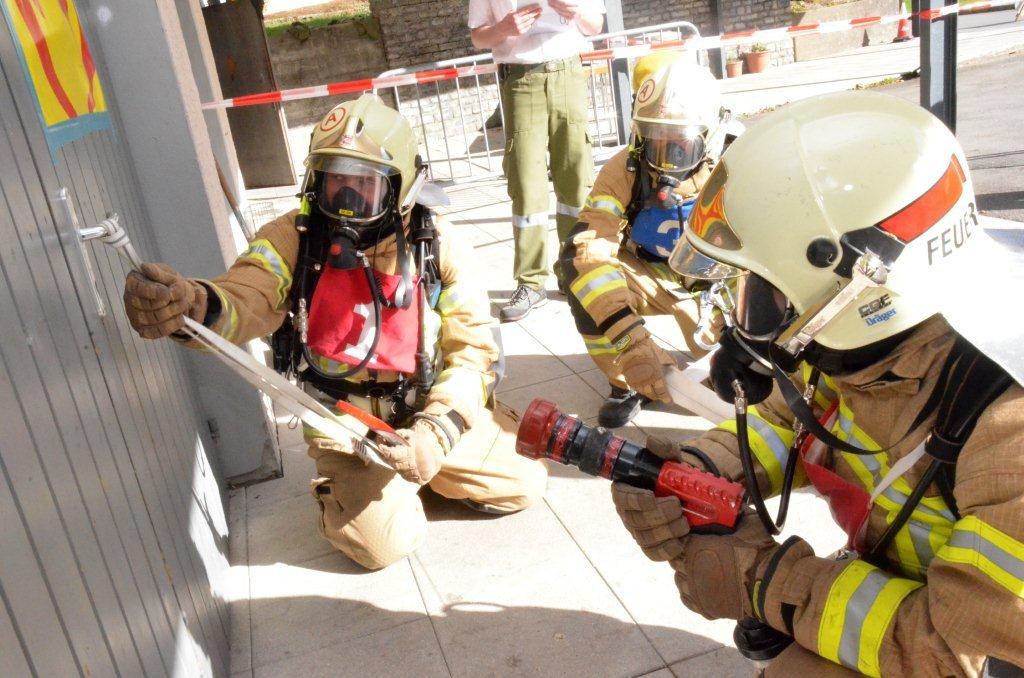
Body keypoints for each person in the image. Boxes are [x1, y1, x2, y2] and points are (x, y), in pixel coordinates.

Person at [611, 91, 1024, 676]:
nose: (746, 317)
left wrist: (765, 580)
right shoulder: (872, 348)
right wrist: (693, 471)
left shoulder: (1010, 434)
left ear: (860, 287)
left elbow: (955, 652)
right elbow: (787, 424)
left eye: (762, 289)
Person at [122, 95, 547, 570]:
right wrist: (195, 304)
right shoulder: (292, 239)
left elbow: (474, 352)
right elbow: (248, 293)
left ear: (401, 188)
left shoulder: (437, 244)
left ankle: (429, 467)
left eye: (364, 182)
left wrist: (434, 433)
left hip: (426, 409)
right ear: (314, 181)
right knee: (379, 548)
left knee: (524, 483)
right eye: (335, 179)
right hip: (348, 430)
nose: (347, 197)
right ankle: (354, 491)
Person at [560, 53, 742, 427]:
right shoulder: (625, 168)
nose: (665, 159)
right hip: (652, 273)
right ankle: (626, 384)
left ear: (711, 136)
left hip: (718, 279)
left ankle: (739, 357)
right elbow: (590, 243)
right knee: (582, 277)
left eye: (680, 146)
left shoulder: (738, 163)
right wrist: (629, 339)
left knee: (736, 372)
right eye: (655, 140)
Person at [468, 0, 606, 322]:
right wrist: (503, 28)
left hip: (568, 73)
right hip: (521, 78)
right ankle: (531, 283)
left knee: (575, 179)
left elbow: (596, 25)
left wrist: (575, 11)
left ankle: (573, 272)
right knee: (527, 183)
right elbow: (478, 37)